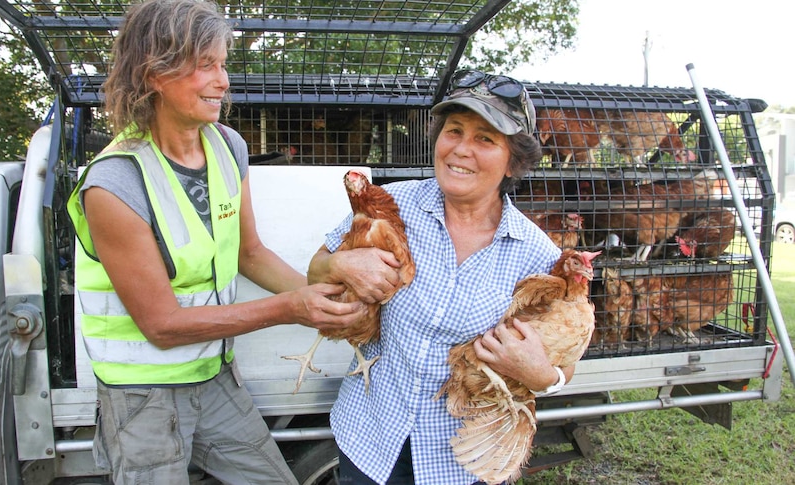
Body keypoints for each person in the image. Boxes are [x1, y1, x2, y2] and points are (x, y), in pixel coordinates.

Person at [66, 0, 364, 483]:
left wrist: (326, 298)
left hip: (214, 377)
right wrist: (293, 308)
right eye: (205, 66)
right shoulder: (114, 184)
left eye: (222, 64)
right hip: (141, 394)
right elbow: (161, 325)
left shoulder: (227, 146)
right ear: (153, 74)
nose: (223, 81)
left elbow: (251, 253)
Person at [307, 70, 575, 484]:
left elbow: (563, 361)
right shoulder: (392, 204)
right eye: (454, 131)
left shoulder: (537, 254)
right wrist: (340, 265)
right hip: (369, 438)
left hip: (463, 460)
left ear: (513, 161)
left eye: (485, 139)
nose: (461, 150)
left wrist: (543, 377)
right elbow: (315, 270)